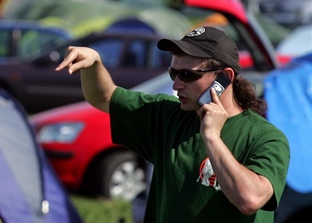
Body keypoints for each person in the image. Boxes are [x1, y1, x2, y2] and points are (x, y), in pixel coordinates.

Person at [56, 26, 290, 222]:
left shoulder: (266, 137)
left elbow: (250, 200)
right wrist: (94, 64)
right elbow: (104, 97)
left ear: (224, 77)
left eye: (187, 75)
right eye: (172, 73)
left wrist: (212, 137)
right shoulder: (168, 115)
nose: (176, 85)